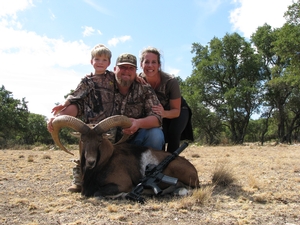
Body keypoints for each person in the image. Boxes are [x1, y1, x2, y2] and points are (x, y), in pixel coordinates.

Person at [47, 47, 164, 192]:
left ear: (136, 72)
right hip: (101, 144)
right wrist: (58, 117)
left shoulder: (144, 88)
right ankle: (81, 175)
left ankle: (152, 175)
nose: (126, 72)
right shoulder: (97, 82)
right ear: (114, 68)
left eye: (130, 69)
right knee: (88, 135)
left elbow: (157, 118)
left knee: (156, 134)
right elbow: (78, 106)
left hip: (132, 142)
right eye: (122, 68)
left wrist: (138, 123)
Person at [139, 46, 194, 153]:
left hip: (178, 111)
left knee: (174, 134)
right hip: (158, 112)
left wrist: (163, 113)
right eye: (147, 62)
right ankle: (159, 164)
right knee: (160, 135)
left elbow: (176, 111)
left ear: (159, 65)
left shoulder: (170, 81)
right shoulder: (138, 80)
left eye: (154, 62)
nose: (150, 65)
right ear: (141, 64)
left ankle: (171, 163)